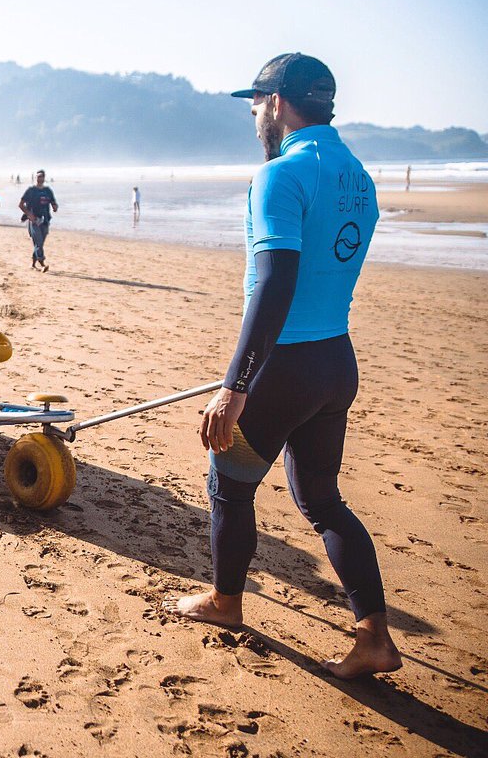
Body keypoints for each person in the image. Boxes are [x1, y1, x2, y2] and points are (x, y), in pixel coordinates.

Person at [165, 53, 402, 679]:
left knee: (228, 485)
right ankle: (373, 636)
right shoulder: (358, 176)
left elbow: (275, 282)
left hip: (284, 368)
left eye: (255, 102)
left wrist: (235, 387)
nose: (252, 113)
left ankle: (225, 603)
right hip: (334, 362)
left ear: (276, 104)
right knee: (322, 499)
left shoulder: (280, 176)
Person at [19, 170, 57, 271]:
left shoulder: (48, 191)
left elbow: (53, 202)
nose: (40, 178)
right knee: (39, 241)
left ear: (44, 178)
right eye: (38, 176)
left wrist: (55, 207)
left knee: (39, 243)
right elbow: (21, 205)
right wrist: (29, 214)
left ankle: (33, 264)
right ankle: (42, 263)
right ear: (35, 178)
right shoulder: (31, 191)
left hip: (45, 220)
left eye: (42, 177)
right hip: (34, 220)